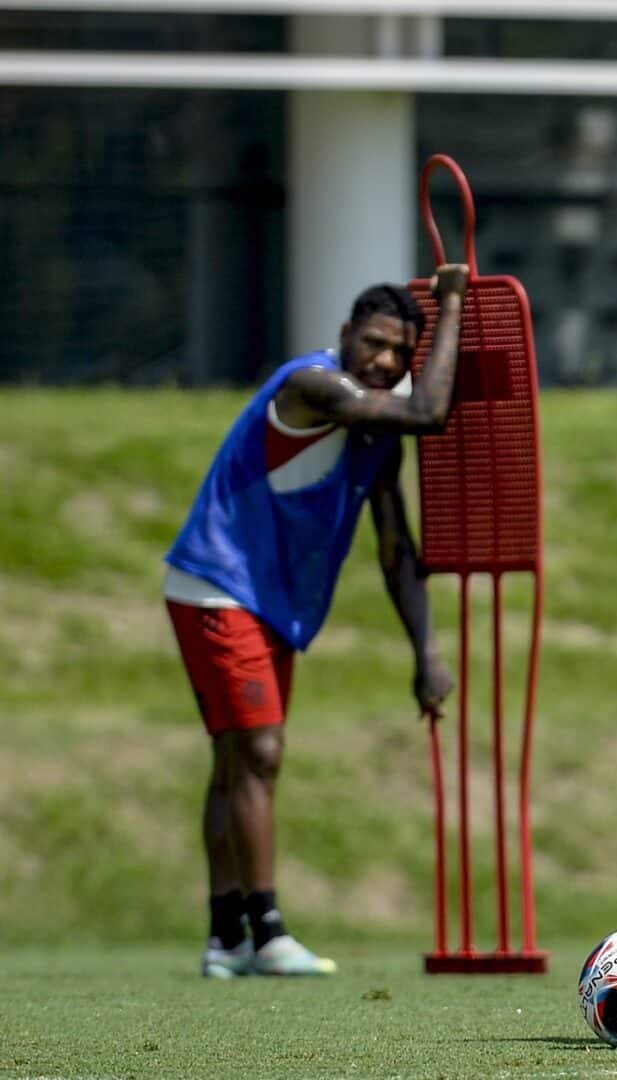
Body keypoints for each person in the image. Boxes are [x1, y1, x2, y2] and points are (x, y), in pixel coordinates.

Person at [166, 265, 470, 977]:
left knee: (235, 764)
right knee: (260, 754)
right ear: (343, 337)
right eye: (374, 343)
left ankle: (227, 938)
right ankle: (268, 930)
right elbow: (430, 412)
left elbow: (397, 552)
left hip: (263, 601)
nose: (386, 360)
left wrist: (425, 651)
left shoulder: (373, 433)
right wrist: (451, 302)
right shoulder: (313, 386)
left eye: (400, 353)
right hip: (217, 586)